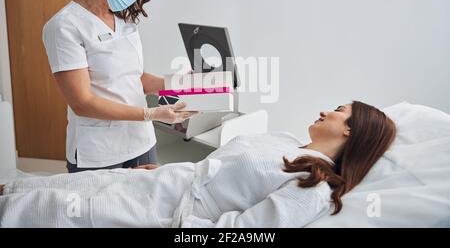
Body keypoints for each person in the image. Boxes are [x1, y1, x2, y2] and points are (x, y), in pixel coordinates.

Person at [0, 101, 396, 227]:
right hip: (164, 182)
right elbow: (222, 167)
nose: (327, 109)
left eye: (339, 111)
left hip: (163, 213)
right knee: (53, 187)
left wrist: (180, 228)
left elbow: (245, 234)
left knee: (49, 213)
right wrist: (168, 172)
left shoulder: (317, 186)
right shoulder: (286, 141)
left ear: (351, 131)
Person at [42, 0, 196, 173]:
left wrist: (178, 84)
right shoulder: (65, 25)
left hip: (141, 142)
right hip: (98, 151)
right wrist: (150, 113)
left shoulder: (125, 22)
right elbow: (82, 102)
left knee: (147, 207)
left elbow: (135, 78)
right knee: (102, 208)